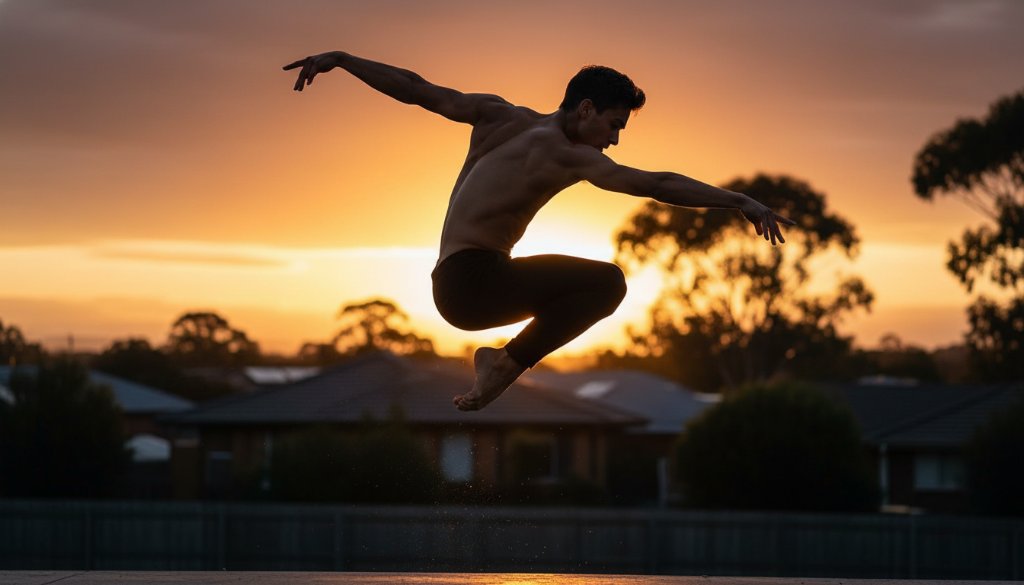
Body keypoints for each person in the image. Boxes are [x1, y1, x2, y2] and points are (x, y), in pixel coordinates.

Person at [284, 51, 794, 411]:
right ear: (586, 109)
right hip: (476, 284)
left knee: (592, 284)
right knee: (608, 284)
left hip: (454, 284)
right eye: (614, 125)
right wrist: (738, 200)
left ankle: (502, 362)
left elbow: (418, 89)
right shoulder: (572, 156)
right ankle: (503, 365)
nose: (614, 140)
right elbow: (655, 183)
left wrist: (345, 60)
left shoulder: (496, 115)